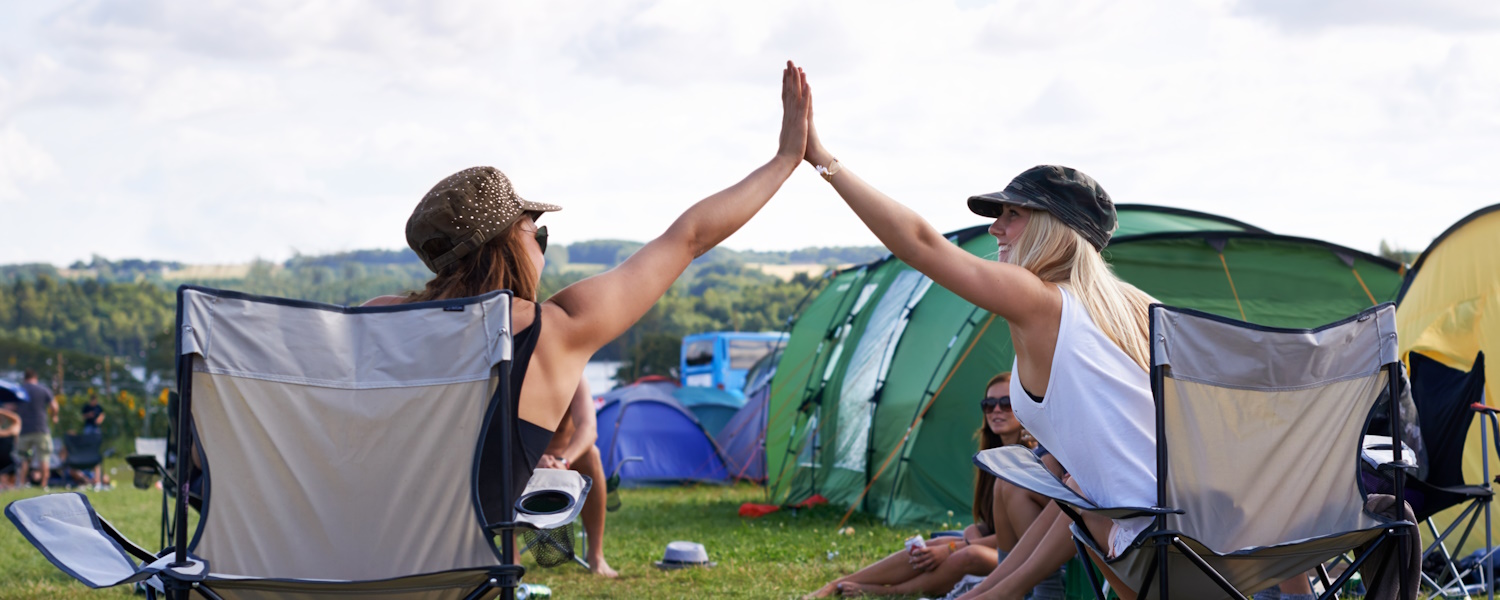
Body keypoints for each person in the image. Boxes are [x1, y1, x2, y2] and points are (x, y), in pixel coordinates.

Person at [363, 61, 810, 518]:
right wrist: (784, 161)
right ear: (513, 244)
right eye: (534, 232)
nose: (541, 247)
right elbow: (689, 238)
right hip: (458, 581)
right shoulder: (558, 331)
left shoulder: (371, 322)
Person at [804, 372, 1065, 599]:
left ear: (1023, 408)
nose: (996, 410)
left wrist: (956, 546)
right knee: (927, 550)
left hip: (1027, 556)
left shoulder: (1034, 457)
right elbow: (995, 523)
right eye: (989, 404)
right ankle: (839, 583)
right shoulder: (990, 455)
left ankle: (886, 592)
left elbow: (1031, 529)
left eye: (1006, 404)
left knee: (965, 554)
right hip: (1001, 548)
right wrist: (975, 530)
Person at [537, 379, 617, 577]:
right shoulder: (514, 376)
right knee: (502, 460)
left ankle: (596, 554)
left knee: (592, 454)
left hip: (564, 466)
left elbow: (589, 429)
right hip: (523, 465)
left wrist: (564, 461)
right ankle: (511, 556)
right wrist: (532, 460)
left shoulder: (574, 377)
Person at [11, 369, 59, 490]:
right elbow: (54, 406)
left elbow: (12, 407)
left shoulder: (20, 390)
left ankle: (21, 484)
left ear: (24, 378)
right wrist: (54, 416)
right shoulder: (43, 389)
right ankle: (44, 484)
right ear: (35, 378)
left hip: (24, 429)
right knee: (44, 457)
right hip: (41, 428)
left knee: (23, 457)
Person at [0, 405, 20, 490]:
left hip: (10, 462)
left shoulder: (13, 430)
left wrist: (1, 411)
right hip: (2, 463)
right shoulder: (12, 430)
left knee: (11, 485)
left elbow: (16, 419)